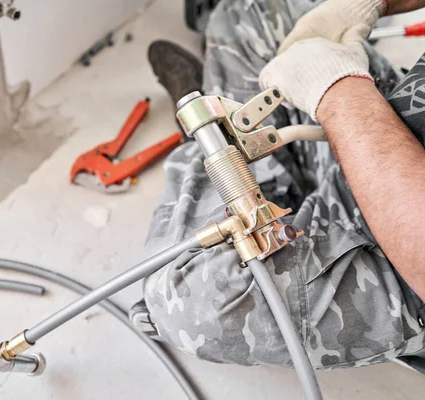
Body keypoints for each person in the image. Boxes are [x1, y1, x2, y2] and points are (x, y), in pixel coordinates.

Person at [131, 0, 425, 372]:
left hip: (404, 251)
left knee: (188, 296)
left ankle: (202, 137)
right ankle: (228, 146)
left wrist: (337, 90)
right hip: (399, 124)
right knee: (246, 13)